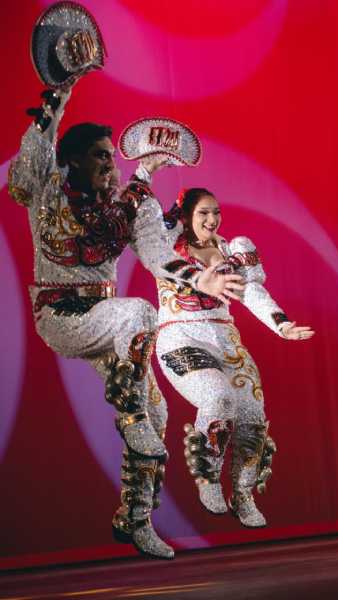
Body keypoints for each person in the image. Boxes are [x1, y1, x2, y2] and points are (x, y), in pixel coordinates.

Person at [7, 86, 243, 558]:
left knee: (158, 415)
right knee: (140, 314)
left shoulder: (132, 205)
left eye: (110, 157)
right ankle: (131, 416)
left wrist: (204, 280)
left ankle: (135, 520)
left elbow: (159, 257)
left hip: (109, 323)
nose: (107, 165)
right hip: (61, 314)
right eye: (98, 156)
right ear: (72, 161)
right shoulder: (48, 188)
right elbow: (27, 168)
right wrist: (56, 100)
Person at [156, 188, 314, 527]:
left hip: (225, 341)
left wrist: (282, 325)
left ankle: (243, 494)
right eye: (202, 214)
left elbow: (252, 292)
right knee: (219, 398)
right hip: (181, 336)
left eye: (216, 212)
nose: (211, 220)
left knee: (252, 413)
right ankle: (208, 476)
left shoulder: (234, 250)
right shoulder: (166, 246)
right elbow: (150, 228)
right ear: (185, 216)